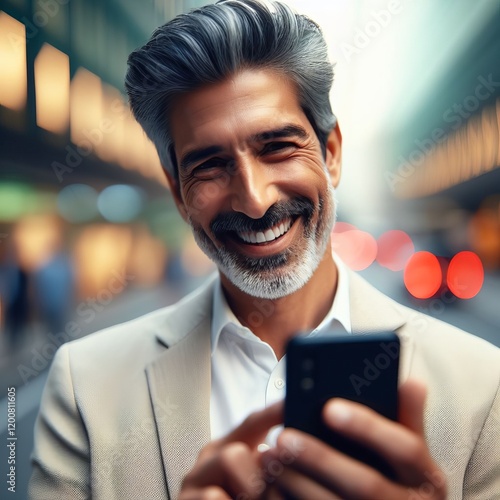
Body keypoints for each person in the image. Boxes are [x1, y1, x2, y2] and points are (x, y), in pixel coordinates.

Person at [29, 1, 500, 498]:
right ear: (177, 192)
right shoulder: (83, 386)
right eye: (210, 165)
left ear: (332, 153)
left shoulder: (482, 387)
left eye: (277, 147)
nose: (255, 201)